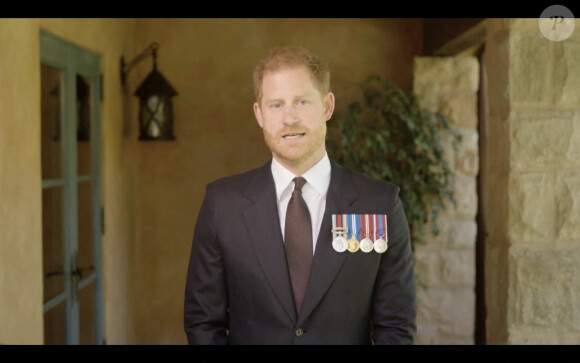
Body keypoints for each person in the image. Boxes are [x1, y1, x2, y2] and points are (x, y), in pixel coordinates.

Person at [184, 45, 416, 345]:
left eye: (302, 102)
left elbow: (396, 326)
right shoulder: (222, 205)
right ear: (259, 114)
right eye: (276, 105)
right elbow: (203, 322)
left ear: (327, 106)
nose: (289, 118)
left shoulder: (380, 204)